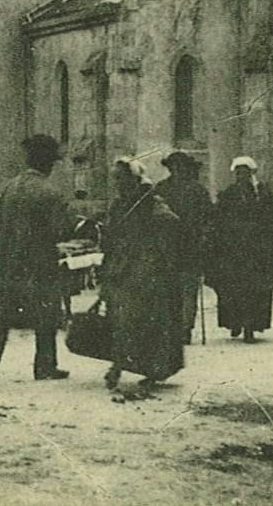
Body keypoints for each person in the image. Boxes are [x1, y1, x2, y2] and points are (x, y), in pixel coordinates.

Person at [0, 134, 72, 385]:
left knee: (1, 315)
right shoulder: (51, 192)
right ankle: (45, 366)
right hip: (38, 263)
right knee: (46, 314)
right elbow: (59, 231)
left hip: (5, 261)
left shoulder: (9, 187)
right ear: (47, 164)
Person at [99, 158, 185, 389]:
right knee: (120, 319)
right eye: (115, 177)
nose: (117, 182)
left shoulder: (149, 200)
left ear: (133, 178)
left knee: (147, 320)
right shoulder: (119, 204)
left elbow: (170, 221)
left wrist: (152, 244)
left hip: (147, 268)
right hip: (122, 266)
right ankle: (117, 365)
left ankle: (151, 369)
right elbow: (110, 234)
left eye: (121, 177)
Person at [209, 156, 273, 343]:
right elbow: (219, 219)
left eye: (245, 172)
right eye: (238, 173)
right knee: (233, 288)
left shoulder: (262, 193)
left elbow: (271, 218)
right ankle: (235, 323)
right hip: (233, 250)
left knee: (255, 290)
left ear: (251, 173)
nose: (242, 176)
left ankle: (251, 326)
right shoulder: (229, 193)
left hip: (257, 250)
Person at [155, 151, 212, 344]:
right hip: (166, 247)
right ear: (169, 168)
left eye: (181, 166)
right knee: (168, 289)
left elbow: (208, 217)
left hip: (190, 246)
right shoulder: (160, 189)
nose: (178, 170)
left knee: (189, 290)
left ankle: (186, 329)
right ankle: (171, 327)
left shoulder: (198, 190)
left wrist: (203, 235)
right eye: (174, 166)